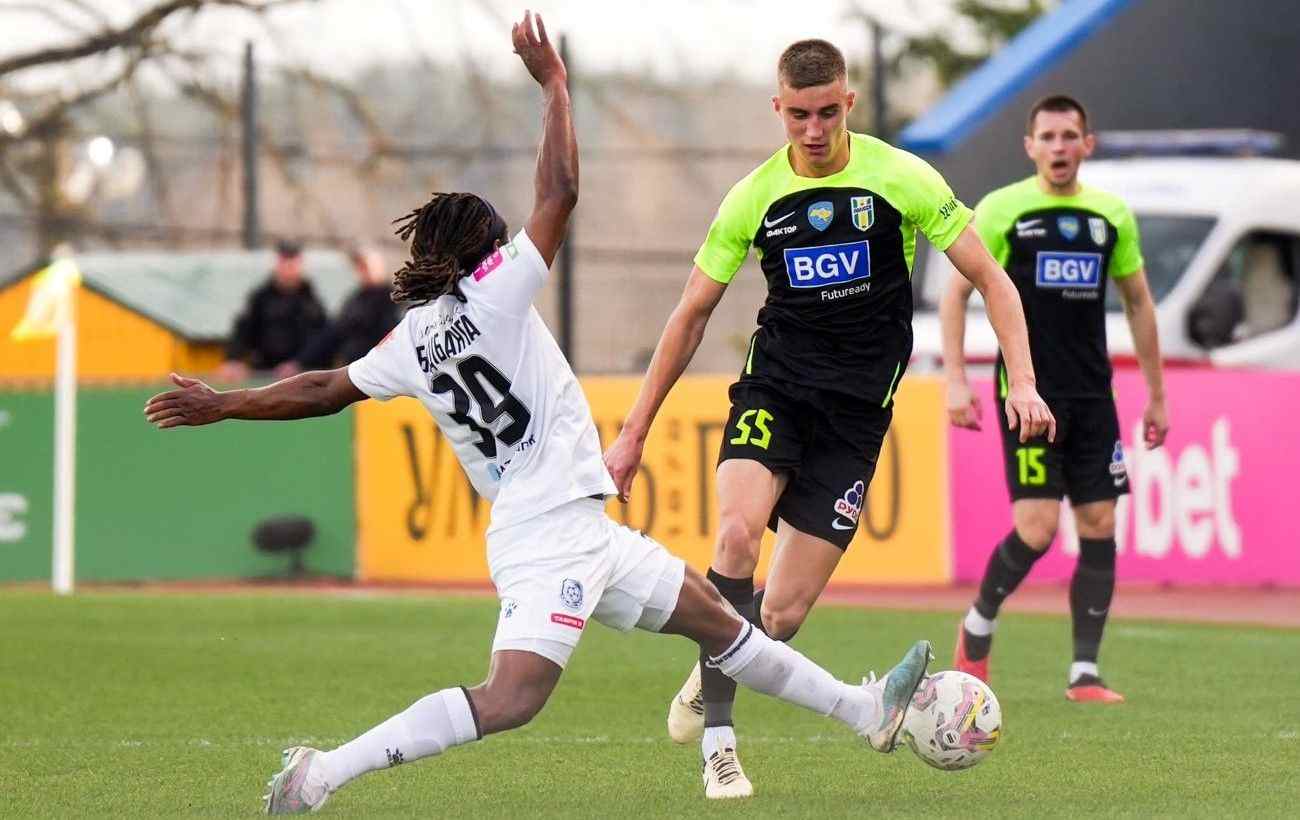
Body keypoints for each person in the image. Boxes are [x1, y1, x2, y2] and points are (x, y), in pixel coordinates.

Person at [143, 13, 933, 815]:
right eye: (495, 235)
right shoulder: (498, 290)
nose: (505, 242)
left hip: (578, 525)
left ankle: (866, 711)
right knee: (512, 698)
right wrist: (555, 85)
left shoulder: (411, 340)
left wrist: (226, 404)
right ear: (480, 252)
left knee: (723, 626)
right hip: (546, 531)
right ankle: (321, 774)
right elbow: (559, 192)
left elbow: (323, 389)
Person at [602, 38, 1053, 798]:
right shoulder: (753, 197)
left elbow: (992, 281)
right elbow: (690, 316)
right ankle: (721, 746)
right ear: (778, 109)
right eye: (798, 116)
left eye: (827, 113)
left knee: (781, 612)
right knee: (736, 535)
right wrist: (633, 432)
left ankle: (709, 671)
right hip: (775, 390)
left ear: (849, 103)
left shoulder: (902, 177)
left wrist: (1024, 383)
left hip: (855, 418)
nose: (814, 131)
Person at [942, 94, 1169, 704]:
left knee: (1099, 523)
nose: (1059, 147)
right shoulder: (1002, 209)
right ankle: (977, 625)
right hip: (1029, 396)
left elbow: (1139, 303)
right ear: (1030, 147)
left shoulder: (1110, 215)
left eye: (1070, 136)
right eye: (1048, 137)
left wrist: (1156, 394)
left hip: (1093, 396)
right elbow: (956, 294)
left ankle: (1084, 673)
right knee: (1038, 529)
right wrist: (957, 380)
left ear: (1087, 145)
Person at [276, 244, 403, 377]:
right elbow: (333, 333)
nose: (364, 271)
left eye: (367, 265)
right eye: (360, 266)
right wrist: (299, 362)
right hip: (357, 373)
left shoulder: (395, 299)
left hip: (381, 373)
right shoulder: (356, 300)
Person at [218, 239, 327, 382]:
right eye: (284, 261)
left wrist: (299, 363)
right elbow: (244, 328)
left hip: (300, 376)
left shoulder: (311, 300)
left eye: (293, 262)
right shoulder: (261, 296)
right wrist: (233, 359)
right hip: (264, 371)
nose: (288, 267)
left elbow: (320, 339)